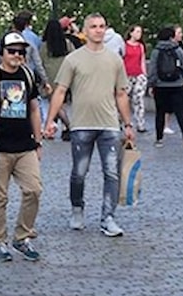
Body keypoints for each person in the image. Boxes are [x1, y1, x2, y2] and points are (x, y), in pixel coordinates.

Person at [43, 14, 135, 237]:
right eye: (93, 27)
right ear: (85, 30)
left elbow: (121, 94)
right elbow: (61, 91)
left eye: (102, 26)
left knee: (111, 173)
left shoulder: (114, 60)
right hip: (81, 124)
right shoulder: (73, 59)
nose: (98, 30)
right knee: (79, 173)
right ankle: (77, 209)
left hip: (109, 124)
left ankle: (108, 217)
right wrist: (50, 121)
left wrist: (128, 123)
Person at [0, 33, 43, 263]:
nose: (17, 55)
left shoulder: (28, 75)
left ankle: (22, 236)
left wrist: (38, 140)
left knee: (34, 189)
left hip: (25, 145)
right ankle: (0, 242)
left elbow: (34, 108)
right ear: (2, 53)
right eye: (12, 51)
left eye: (21, 51)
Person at [148, 26, 183, 149]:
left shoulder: (156, 51)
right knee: (180, 113)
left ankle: (159, 139)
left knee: (160, 113)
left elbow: (152, 69)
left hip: (160, 86)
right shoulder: (178, 50)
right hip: (177, 85)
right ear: (171, 37)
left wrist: (152, 84)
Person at [39, 18, 73, 139]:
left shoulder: (44, 46)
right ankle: (62, 128)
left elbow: (40, 63)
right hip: (64, 76)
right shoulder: (67, 43)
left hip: (49, 77)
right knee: (60, 104)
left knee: (55, 105)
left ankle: (68, 126)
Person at [122, 25, 148, 134]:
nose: (139, 34)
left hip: (138, 75)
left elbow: (142, 60)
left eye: (140, 32)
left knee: (138, 99)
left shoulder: (140, 46)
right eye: (137, 32)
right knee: (124, 99)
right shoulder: (124, 45)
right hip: (127, 75)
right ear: (131, 33)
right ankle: (123, 121)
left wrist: (144, 74)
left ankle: (140, 123)